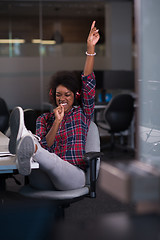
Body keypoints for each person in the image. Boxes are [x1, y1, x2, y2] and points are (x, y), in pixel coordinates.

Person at [8, 21, 100, 191]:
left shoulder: (83, 113)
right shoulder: (44, 119)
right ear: (53, 96)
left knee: (50, 158)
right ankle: (28, 144)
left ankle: (27, 143)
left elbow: (88, 80)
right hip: (47, 176)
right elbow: (48, 145)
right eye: (58, 95)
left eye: (67, 95)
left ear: (76, 96)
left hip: (73, 176)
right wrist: (57, 122)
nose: (62, 99)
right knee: (44, 156)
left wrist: (90, 48)